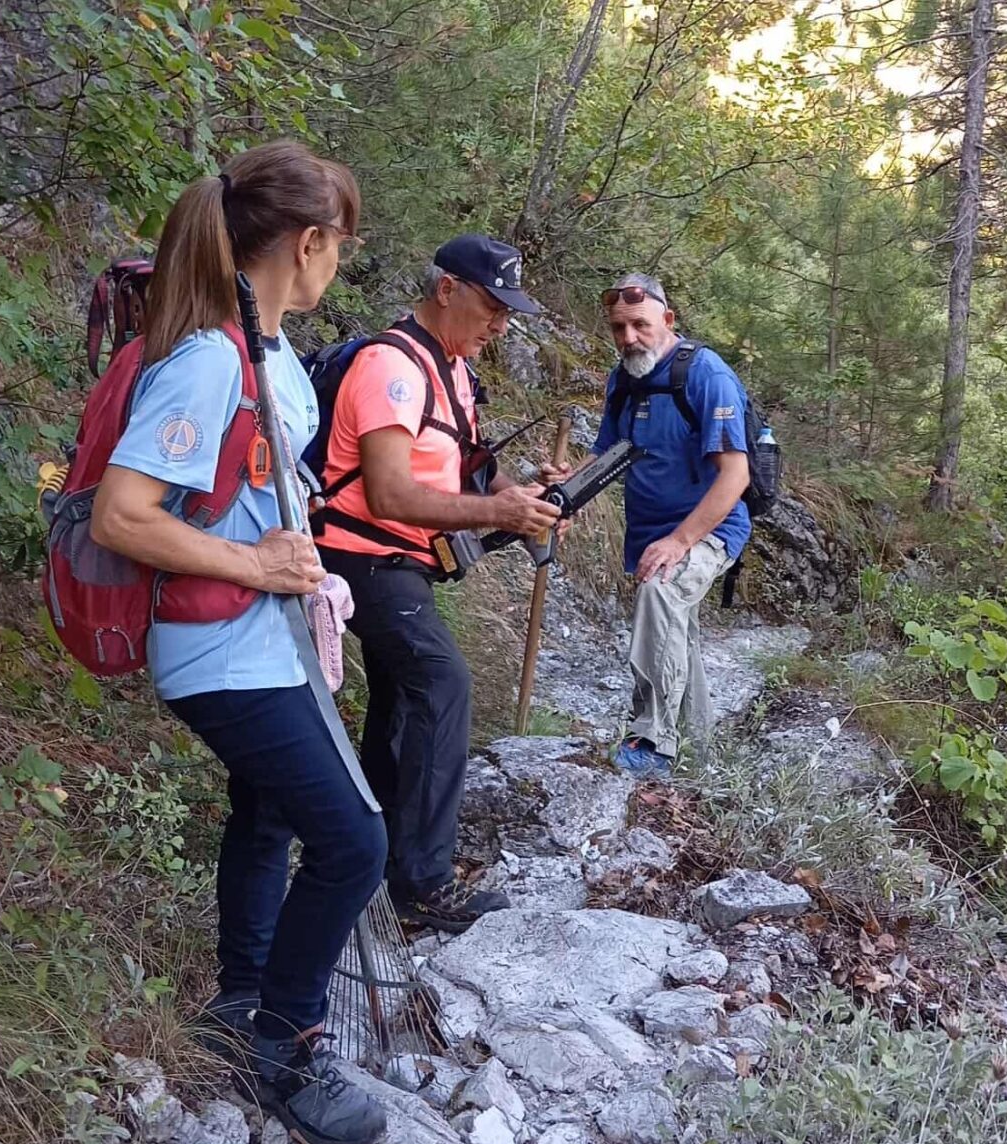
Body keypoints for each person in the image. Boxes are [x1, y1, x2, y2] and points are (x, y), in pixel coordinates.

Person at [90, 141, 388, 1144]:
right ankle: (287, 1043)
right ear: (307, 243)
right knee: (354, 839)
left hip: (263, 639)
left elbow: (258, 488)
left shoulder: (262, 352)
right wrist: (256, 566)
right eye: (338, 245)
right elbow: (122, 517)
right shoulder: (211, 358)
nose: (337, 262)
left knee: (268, 817)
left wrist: (299, 564)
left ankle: (242, 996)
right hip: (219, 649)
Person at [314, 234, 559, 933]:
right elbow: (390, 493)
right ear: (447, 288)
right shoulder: (391, 366)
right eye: (492, 306)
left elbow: (466, 469)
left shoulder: (450, 369)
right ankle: (424, 879)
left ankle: (382, 860)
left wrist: (526, 499)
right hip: (360, 559)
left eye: (508, 313)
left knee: (401, 703)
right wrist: (497, 511)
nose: (500, 325)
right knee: (442, 684)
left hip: (402, 565)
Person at [545, 273, 750, 775]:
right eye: (619, 328)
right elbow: (607, 457)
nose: (629, 337)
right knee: (677, 630)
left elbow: (735, 475)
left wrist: (681, 542)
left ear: (668, 320)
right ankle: (702, 755)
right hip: (651, 532)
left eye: (640, 324)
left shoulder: (706, 375)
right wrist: (566, 493)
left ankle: (653, 741)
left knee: (661, 591)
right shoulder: (624, 378)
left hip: (709, 531)